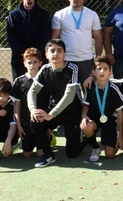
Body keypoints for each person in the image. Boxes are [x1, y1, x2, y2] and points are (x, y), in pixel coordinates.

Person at [28, 39, 86, 168]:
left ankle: (86, 138)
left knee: (72, 153)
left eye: (59, 50)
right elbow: (32, 91)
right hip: (55, 110)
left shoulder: (73, 68)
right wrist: (32, 109)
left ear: (64, 54)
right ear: (46, 54)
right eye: (52, 51)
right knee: (35, 119)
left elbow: (69, 96)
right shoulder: (44, 69)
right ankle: (48, 154)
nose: (56, 54)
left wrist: (51, 115)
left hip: (73, 111)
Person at [80, 57, 123, 162]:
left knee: (110, 155)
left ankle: (115, 139)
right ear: (93, 72)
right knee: (86, 126)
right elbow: (86, 104)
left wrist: (121, 136)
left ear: (110, 72)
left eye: (105, 69)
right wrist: (84, 116)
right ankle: (95, 147)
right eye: (99, 68)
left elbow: (120, 112)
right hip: (94, 118)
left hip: (109, 119)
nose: (102, 71)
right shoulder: (90, 86)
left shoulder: (114, 89)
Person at [51, 0, 103, 81]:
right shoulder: (59, 15)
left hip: (87, 60)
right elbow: (55, 38)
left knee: (87, 88)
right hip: (66, 60)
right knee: (67, 88)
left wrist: (98, 58)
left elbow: (98, 37)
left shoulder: (92, 15)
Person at [6, 0, 52, 80]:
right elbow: (12, 37)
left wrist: (34, 54)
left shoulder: (44, 15)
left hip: (39, 59)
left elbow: (45, 35)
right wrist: (24, 54)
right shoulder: (14, 15)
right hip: (19, 59)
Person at [11, 48, 44, 159]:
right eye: (29, 62)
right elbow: (17, 105)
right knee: (27, 155)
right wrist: (19, 125)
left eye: (35, 62)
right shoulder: (19, 81)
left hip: (41, 123)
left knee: (40, 154)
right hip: (25, 124)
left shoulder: (45, 79)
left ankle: (48, 138)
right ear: (24, 63)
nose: (32, 65)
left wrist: (49, 127)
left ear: (40, 63)